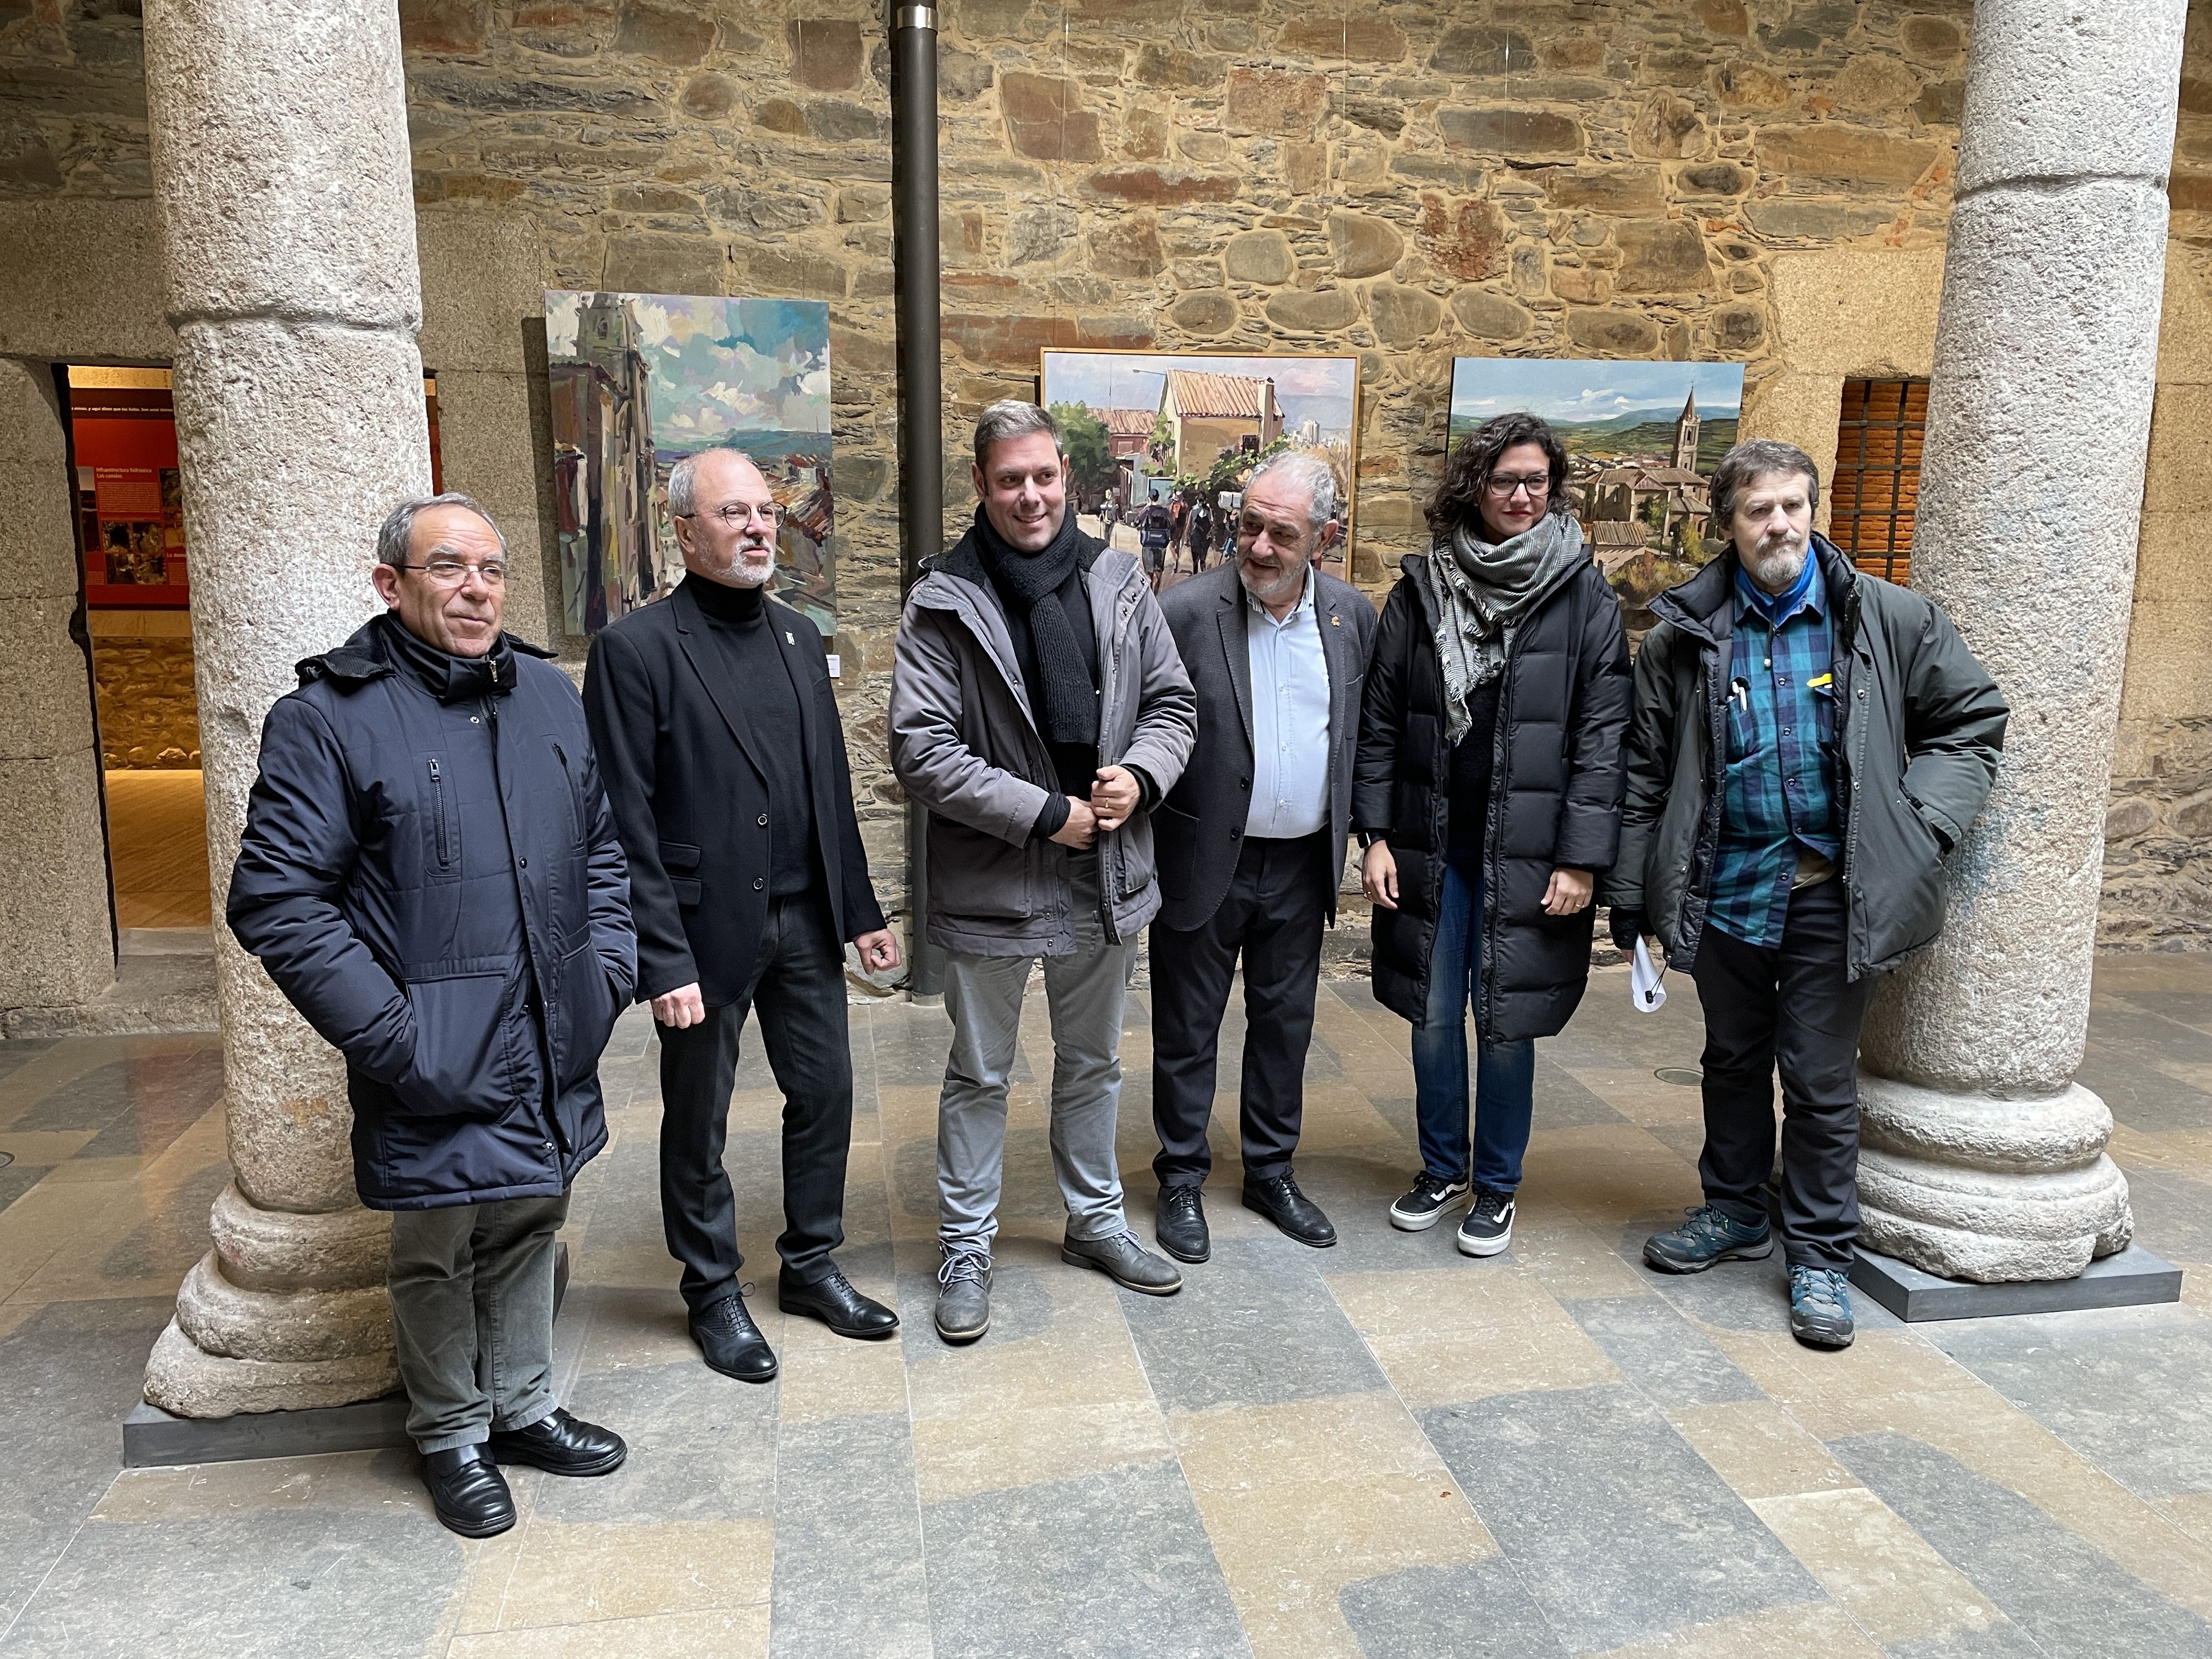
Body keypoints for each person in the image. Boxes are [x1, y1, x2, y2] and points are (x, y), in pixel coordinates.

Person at [227, 494, 633, 1540]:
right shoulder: (328, 717)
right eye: (447, 566)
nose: (475, 586)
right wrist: (397, 1035)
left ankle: (525, 1404)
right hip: (436, 1046)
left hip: (550, 1024)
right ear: (390, 584)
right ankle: (452, 1431)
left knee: (532, 1216)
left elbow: (599, 847)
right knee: (439, 1242)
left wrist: (609, 969)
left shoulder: (547, 693)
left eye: (491, 568)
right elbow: (277, 899)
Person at [1607, 439, 2006, 1350]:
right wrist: (1632, 898)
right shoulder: (1683, 638)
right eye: (1757, 510)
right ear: (1728, 524)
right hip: (1726, 888)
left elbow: (1971, 717)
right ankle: (1736, 1207)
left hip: (1835, 891)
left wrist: (1921, 826)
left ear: (1812, 510)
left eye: (1792, 505)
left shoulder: (1885, 619)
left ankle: (1820, 1252)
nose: (1778, 523)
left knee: (1819, 1078)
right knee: (1731, 1059)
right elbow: (1642, 773)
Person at [584, 447, 901, 1385]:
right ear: (684, 530)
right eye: (735, 512)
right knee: (699, 1116)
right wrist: (660, 957)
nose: (761, 525)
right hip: (699, 929)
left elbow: (826, 785)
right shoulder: (635, 650)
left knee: (829, 1091)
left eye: (765, 509)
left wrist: (859, 908)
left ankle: (808, 1261)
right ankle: (712, 1287)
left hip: (804, 920)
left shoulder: (801, 637)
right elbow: (622, 818)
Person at [890, 399, 1197, 1344]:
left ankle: (1094, 1218)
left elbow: (1171, 704)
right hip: (995, 876)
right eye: (1009, 479)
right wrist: (1048, 813)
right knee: (980, 1070)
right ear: (981, 485)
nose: (1030, 494)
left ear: (1067, 475)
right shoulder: (942, 595)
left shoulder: (1119, 579)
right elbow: (922, 749)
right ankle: (966, 1242)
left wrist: (1139, 776)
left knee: (1093, 1061)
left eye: (1044, 476)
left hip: (1103, 871)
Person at [1355, 413, 1630, 1260]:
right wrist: (1373, 835)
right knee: (1435, 1015)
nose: (1520, 496)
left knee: (1505, 1020)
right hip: (1432, 844)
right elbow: (1380, 719)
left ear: (1554, 490)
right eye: (1505, 480)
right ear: (1474, 485)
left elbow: (1602, 734)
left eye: (1536, 482)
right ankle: (1442, 1167)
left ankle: (1499, 1186)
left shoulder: (1584, 595)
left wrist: (1584, 857)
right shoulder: (1421, 588)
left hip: (1535, 853)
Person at [1149, 450, 1378, 1262]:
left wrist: (1369, 836)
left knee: (1285, 1025)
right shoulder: (1181, 613)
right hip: (1202, 854)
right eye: (1250, 526)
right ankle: (1179, 1179)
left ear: (1324, 538)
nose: (1259, 546)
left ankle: (1271, 1172)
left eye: (1283, 532)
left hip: (1302, 862)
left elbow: (1365, 741)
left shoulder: (1353, 619)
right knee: (1187, 1028)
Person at [1138, 496, 1173, 591]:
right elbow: (1171, 523)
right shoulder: (1164, 511)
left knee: (1149, 573)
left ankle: (1150, 595)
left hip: (1148, 543)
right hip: (1161, 543)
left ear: (1149, 498)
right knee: (1159, 572)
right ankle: (1156, 594)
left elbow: (1137, 521)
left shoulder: (1147, 510)